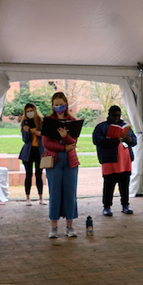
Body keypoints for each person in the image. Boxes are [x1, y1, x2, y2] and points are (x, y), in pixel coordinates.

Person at [42, 92, 80, 238]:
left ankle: (70, 226)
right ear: (52, 105)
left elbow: (73, 142)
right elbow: (46, 144)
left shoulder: (72, 120)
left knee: (70, 193)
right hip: (54, 162)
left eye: (61, 104)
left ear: (66, 104)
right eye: (56, 105)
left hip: (71, 162)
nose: (59, 107)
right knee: (55, 193)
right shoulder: (48, 122)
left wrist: (66, 136)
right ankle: (54, 227)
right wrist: (63, 147)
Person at [93, 106, 137, 216]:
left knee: (124, 184)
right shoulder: (101, 127)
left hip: (125, 160)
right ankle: (107, 207)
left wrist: (128, 139)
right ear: (109, 114)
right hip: (109, 160)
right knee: (109, 185)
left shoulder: (125, 127)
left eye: (118, 115)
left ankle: (125, 205)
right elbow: (96, 140)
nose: (117, 118)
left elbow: (134, 140)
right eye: (114, 115)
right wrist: (112, 141)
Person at [18, 103, 45, 206]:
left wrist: (40, 133)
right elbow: (25, 140)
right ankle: (27, 198)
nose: (29, 113)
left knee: (39, 174)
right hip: (28, 152)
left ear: (35, 110)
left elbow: (46, 135)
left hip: (39, 151)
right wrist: (26, 131)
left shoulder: (41, 121)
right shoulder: (24, 123)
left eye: (31, 111)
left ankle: (41, 198)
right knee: (28, 174)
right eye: (27, 111)